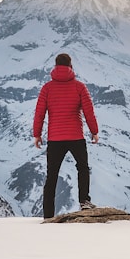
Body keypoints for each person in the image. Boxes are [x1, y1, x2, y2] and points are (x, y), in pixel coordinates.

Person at [33, 53, 99, 218]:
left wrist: (37, 134)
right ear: (71, 66)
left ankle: (48, 215)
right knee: (82, 168)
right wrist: (94, 131)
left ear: (55, 66)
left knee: (52, 175)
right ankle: (84, 201)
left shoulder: (47, 88)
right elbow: (88, 112)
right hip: (76, 136)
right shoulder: (79, 87)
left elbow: (39, 113)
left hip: (55, 139)